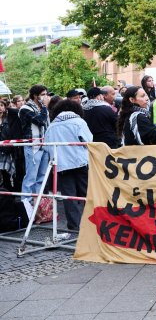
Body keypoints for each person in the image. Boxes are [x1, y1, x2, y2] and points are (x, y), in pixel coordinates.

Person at [44, 99, 92, 231]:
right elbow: (89, 140)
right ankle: (93, 223)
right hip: (81, 162)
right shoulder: (79, 122)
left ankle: (74, 226)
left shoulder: (52, 125)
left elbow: (47, 147)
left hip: (61, 165)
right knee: (87, 194)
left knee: (68, 197)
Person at [18, 85, 51, 218]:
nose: (45, 96)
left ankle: (39, 209)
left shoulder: (43, 109)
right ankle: (25, 207)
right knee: (31, 177)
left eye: (46, 94)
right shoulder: (25, 108)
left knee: (41, 177)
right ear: (35, 95)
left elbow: (47, 124)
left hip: (44, 145)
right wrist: (44, 107)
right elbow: (40, 121)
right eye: (42, 94)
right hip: (32, 145)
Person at [0, 99, 16, 190]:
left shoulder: (9, 120)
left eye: (2, 105)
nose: (0, 108)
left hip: (7, 150)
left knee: (8, 173)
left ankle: (9, 194)